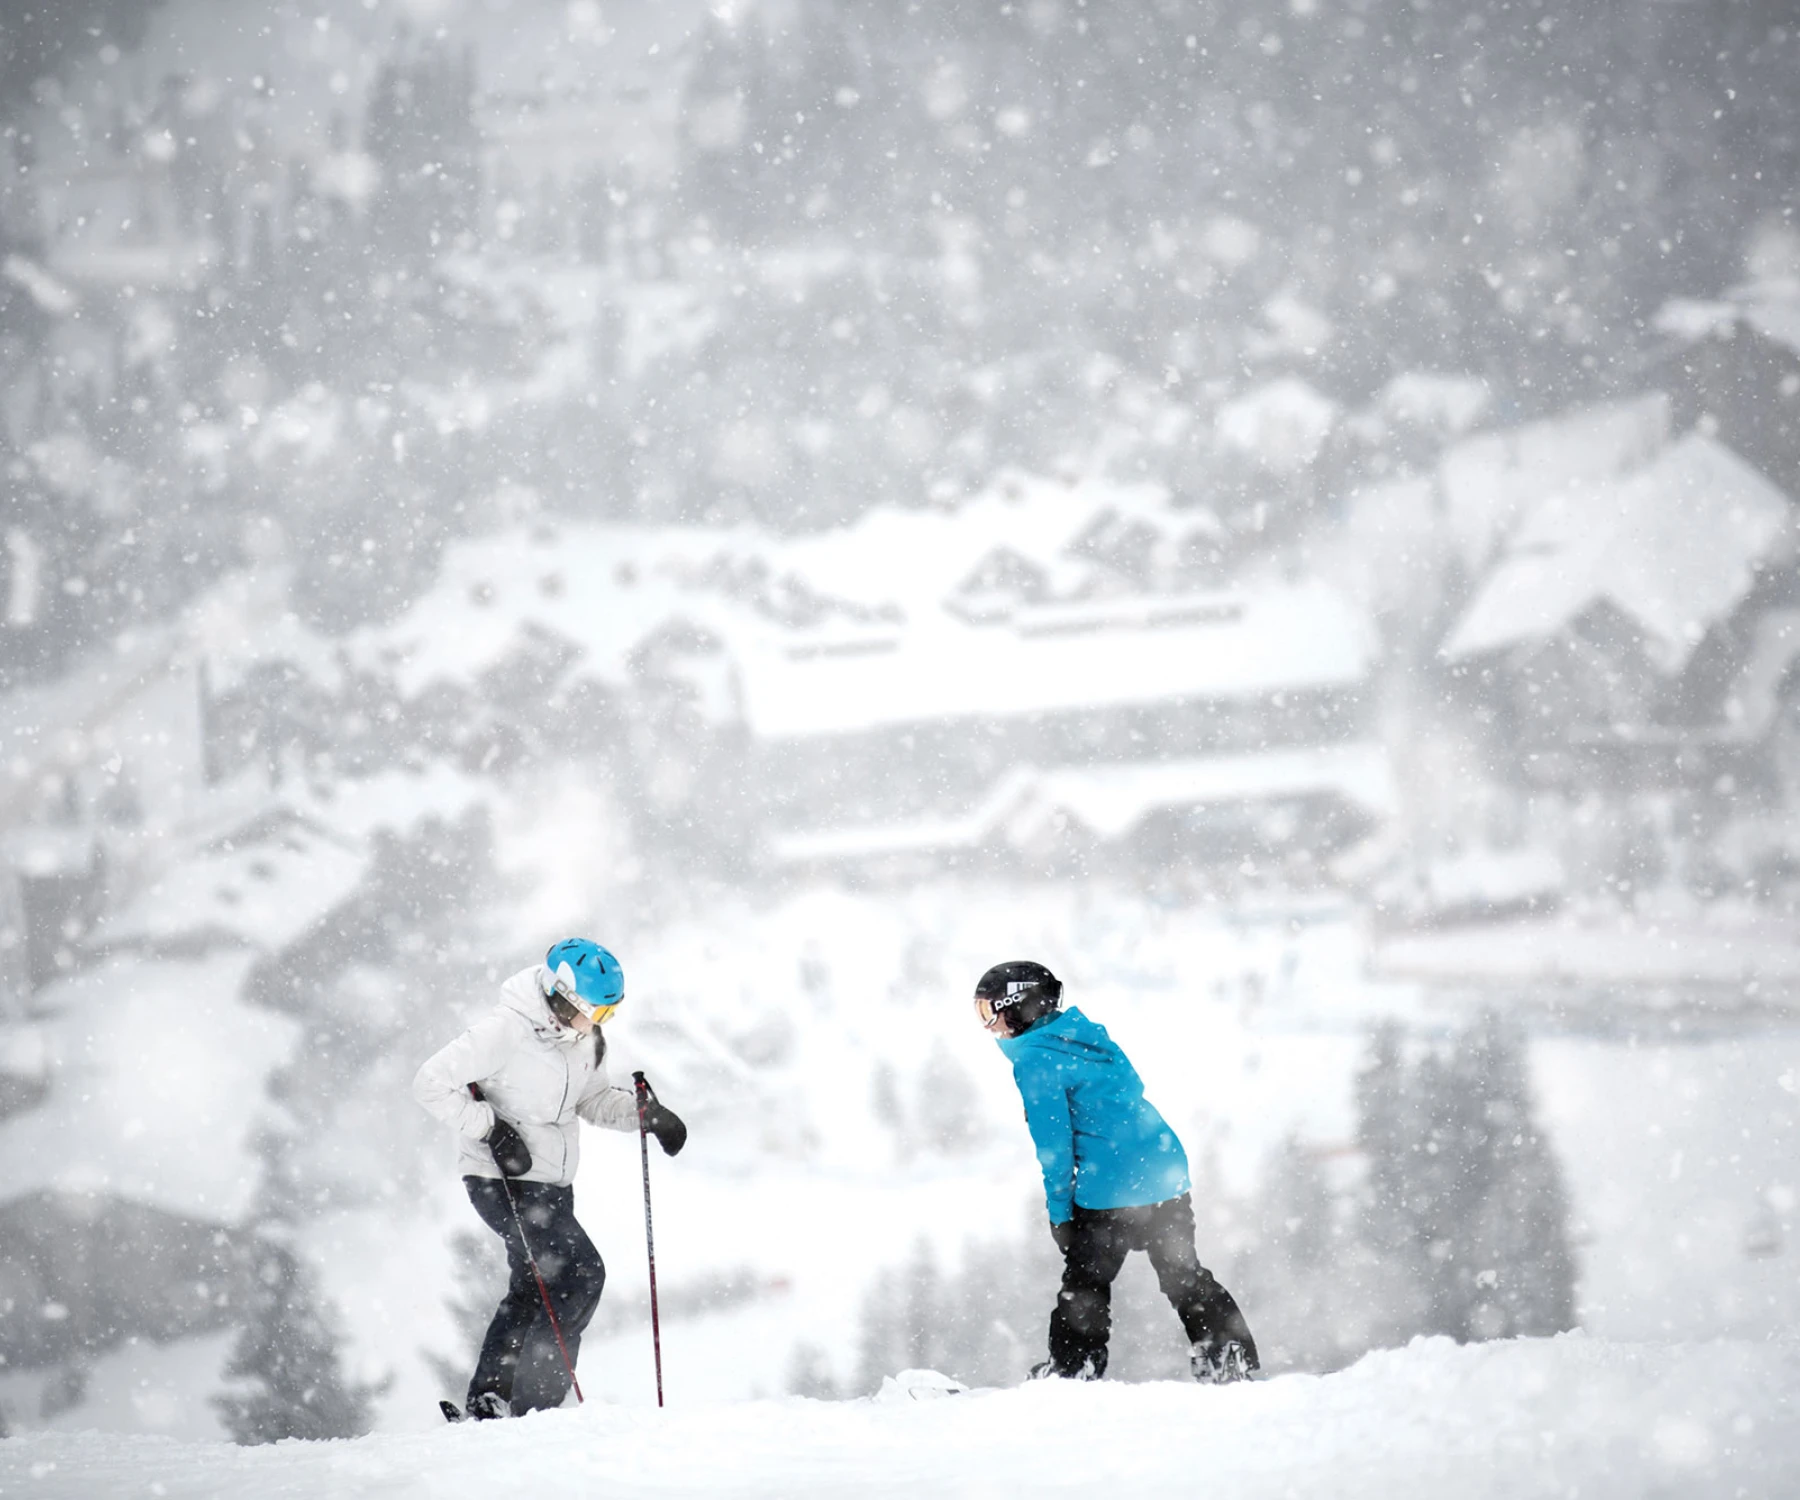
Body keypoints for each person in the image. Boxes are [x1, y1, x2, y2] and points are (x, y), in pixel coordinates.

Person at [413, 938, 687, 1418]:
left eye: (608, 1016)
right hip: (501, 1178)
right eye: (597, 1013)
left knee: (532, 1286)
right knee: (580, 1276)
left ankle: (490, 1401)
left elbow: (593, 1099)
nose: (601, 1025)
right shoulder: (504, 1032)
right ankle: (535, 1407)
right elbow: (430, 1083)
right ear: (565, 999)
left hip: (552, 1186)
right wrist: (491, 1129)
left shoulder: (584, 1041)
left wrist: (646, 1115)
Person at [973, 959, 1258, 1384]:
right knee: (1183, 1274)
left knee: (1085, 1285)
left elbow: (1054, 1147)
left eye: (988, 1011)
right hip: (1163, 1172)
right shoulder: (1088, 1036)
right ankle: (1225, 1353)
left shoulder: (1033, 1058)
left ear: (1018, 1005)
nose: (987, 1024)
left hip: (1111, 1191)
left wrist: (1060, 1214)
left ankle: (1073, 1370)